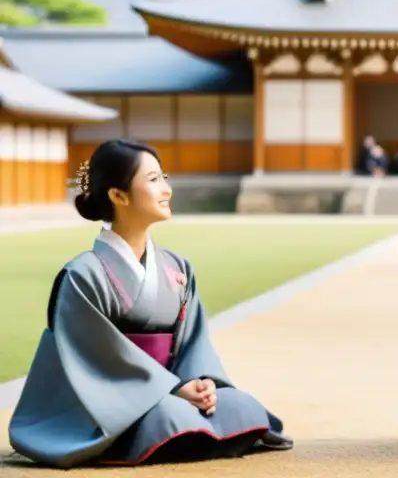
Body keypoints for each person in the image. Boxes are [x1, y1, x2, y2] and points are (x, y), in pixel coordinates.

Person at [8, 139, 292, 469]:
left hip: (171, 387)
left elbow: (192, 341)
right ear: (118, 195)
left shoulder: (178, 268)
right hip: (110, 400)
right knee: (170, 415)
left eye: (164, 178)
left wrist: (198, 383)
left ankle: (187, 422)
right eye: (153, 179)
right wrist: (171, 389)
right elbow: (99, 358)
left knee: (239, 407)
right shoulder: (83, 274)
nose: (166, 189)